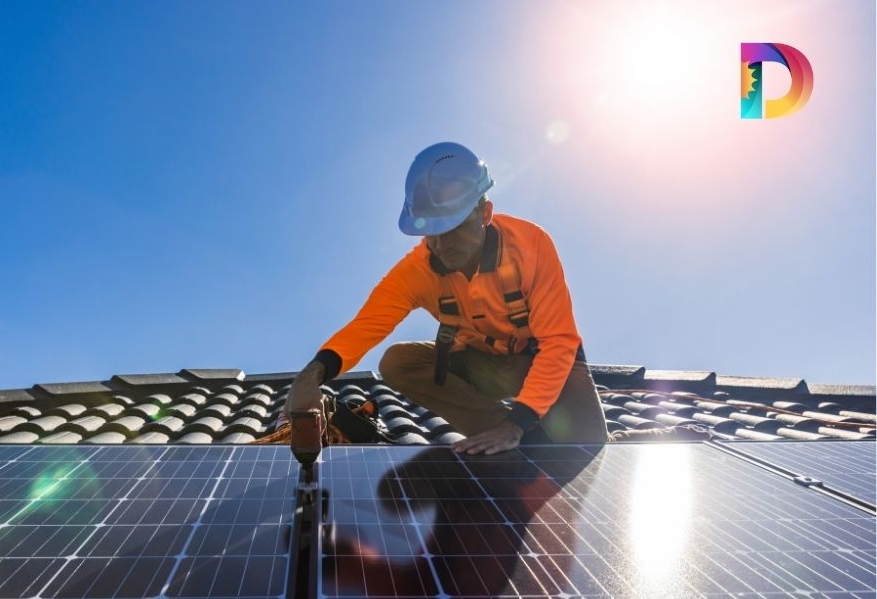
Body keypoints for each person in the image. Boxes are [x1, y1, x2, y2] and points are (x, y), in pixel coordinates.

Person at [284, 142, 707, 455]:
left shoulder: (531, 245)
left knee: (590, 448)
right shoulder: (417, 270)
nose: (440, 244)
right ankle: (509, 437)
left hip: (544, 366)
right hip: (481, 365)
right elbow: (366, 327)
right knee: (397, 360)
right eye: (431, 231)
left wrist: (520, 421)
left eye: (453, 229)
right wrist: (312, 375)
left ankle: (534, 434)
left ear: (484, 215)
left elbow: (559, 342)